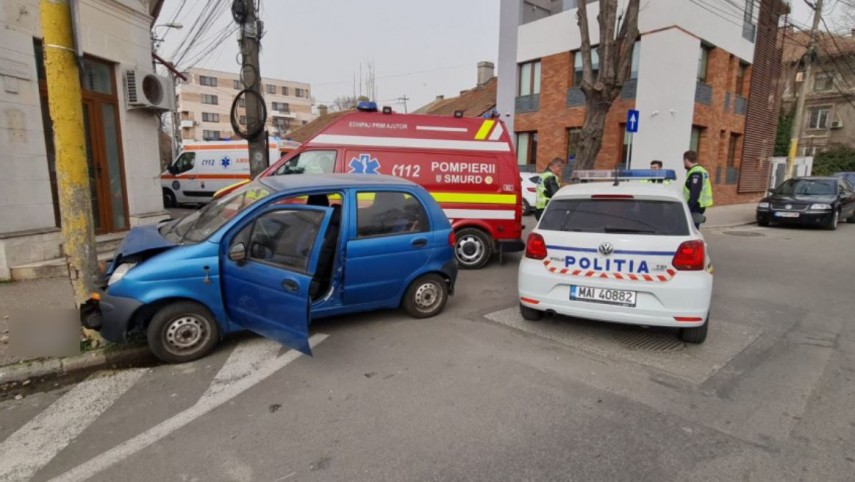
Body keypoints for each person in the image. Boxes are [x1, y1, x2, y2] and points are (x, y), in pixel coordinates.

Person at [683, 150, 713, 228]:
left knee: (692, 228)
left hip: (695, 205)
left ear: (686, 160)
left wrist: (688, 208)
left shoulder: (696, 172)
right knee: (694, 227)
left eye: (683, 161)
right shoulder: (701, 170)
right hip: (699, 204)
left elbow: (694, 193)